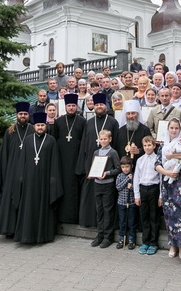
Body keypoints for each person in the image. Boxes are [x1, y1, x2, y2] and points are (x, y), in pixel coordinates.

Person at [13, 111, 63, 244]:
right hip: (29, 182)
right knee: (28, 207)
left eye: (42, 125)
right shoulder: (28, 140)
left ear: (46, 126)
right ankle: (26, 236)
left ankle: (42, 236)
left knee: (43, 208)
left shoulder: (51, 140)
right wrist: (21, 177)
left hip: (44, 182)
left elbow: (55, 162)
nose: (40, 127)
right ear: (34, 126)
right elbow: (22, 161)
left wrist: (53, 180)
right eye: (37, 125)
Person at [0, 101, 34, 238]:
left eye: (25, 114)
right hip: (12, 173)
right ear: (16, 115)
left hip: (28, 172)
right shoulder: (10, 132)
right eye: (20, 114)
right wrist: (3, 174)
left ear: (28, 115)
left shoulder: (32, 130)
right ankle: (10, 230)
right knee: (10, 201)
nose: (23, 116)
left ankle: (24, 229)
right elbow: (4, 155)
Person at [75, 93, 120, 228]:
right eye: (96, 105)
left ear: (105, 106)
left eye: (101, 104)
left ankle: (107, 229)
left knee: (106, 203)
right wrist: (82, 166)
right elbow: (83, 144)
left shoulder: (113, 122)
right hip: (91, 164)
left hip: (108, 168)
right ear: (93, 106)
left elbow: (116, 144)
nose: (99, 107)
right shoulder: (89, 123)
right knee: (93, 200)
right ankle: (92, 224)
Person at [155, 117, 181, 259]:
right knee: (170, 215)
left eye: (176, 128)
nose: (174, 130)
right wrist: (167, 173)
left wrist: (173, 155)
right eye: (171, 128)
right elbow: (157, 164)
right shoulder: (163, 145)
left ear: (180, 129)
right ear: (168, 129)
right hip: (169, 185)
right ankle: (172, 244)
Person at [53, 94, 87, 224]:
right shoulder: (59, 122)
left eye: (73, 105)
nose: (71, 108)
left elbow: (84, 142)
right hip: (62, 162)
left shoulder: (82, 121)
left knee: (74, 190)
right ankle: (62, 217)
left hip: (76, 162)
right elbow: (55, 141)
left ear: (76, 106)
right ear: (65, 107)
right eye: (69, 106)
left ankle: (75, 217)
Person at [88, 129, 121, 249]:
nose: (103, 141)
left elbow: (118, 169)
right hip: (97, 184)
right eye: (101, 139)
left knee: (108, 210)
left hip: (108, 184)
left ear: (110, 139)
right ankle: (100, 234)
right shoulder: (96, 152)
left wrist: (106, 173)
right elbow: (94, 166)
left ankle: (108, 236)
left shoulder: (113, 153)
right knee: (99, 210)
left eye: (105, 139)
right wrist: (92, 173)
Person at [134, 135, 162, 255]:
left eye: (149, 145)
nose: (147, 147)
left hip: (154, 189)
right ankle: (145, 241)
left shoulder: (158, 160)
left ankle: (153, 242)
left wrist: (161, 196)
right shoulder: (140, 160)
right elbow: (136, 178)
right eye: (145, 145)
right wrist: (137, 195)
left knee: (153, 217)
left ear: (154, 146)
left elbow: (161, 178)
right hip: (143, 189)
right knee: (144, 217)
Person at [114, 100, 152, 165]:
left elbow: (151, 147)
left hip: (140, 165)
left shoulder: (145, 130)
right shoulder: (120, 131)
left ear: (138, 114)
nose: (131, 116)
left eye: (133, 113)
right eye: (128, 114)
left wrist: (139, 151)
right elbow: (116, 149)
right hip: (123, 167)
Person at [115, 156, 137, 250]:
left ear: (131, 166)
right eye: (123, 167)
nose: (125, 169)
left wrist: (131, 186)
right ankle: (121, 239)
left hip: (131, 203)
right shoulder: (120, 176)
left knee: (131, 222)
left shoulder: (134, 176)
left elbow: (135, 188)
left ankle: (132, 240)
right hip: (121, 203)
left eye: (127, 167)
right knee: (122, 222)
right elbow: (118, 187)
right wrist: (127, 180)